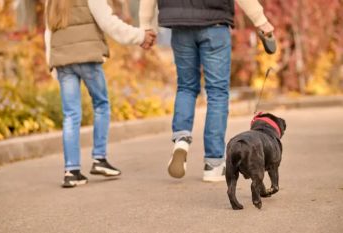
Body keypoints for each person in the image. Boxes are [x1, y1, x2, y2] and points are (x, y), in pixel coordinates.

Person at [139, 0, 274, 182]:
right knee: (217, 92)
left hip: (180, 25)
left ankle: (182, 138)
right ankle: (213, 163)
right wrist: (261, 20)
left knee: (186, 86)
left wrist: (146, 25)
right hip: (215, 24)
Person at [44, 0, 156, 188]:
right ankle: (99, 159)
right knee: (101, 104)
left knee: (70, 115)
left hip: (62, 61)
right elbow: (108, 23)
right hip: (87, 57)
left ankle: (71, 171)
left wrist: (52, 64)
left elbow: (48, 33)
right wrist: (139, 36)